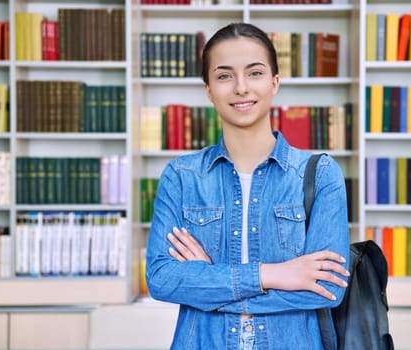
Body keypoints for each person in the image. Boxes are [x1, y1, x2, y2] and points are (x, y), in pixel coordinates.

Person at [146, 22, 350, 350]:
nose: (241, 87)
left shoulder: (321, 174)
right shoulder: (181, 176)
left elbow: (327, 288)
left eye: (254, 73)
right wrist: (272, 274)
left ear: (274, 82)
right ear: (209, 89)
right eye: (224, 75)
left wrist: (207, 283)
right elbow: (162, 280)